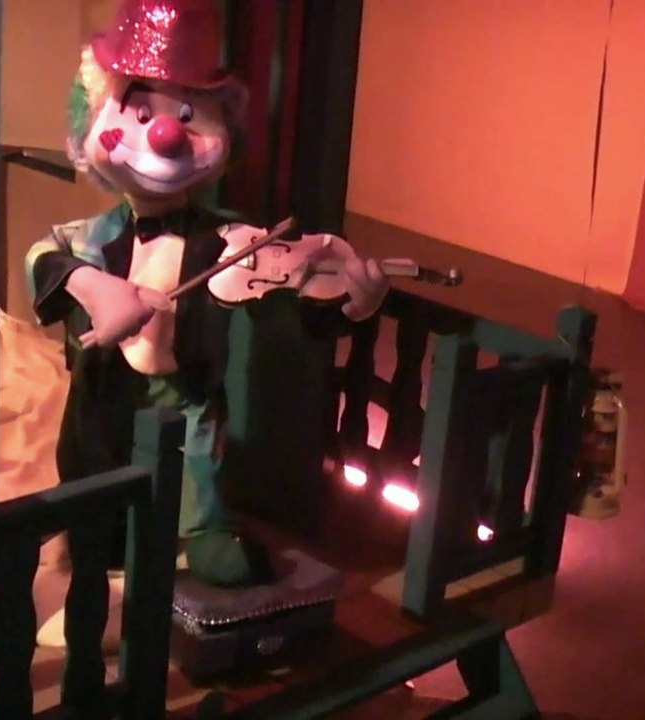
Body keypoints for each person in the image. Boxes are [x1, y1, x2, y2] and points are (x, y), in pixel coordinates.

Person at [23, 1, 388, 712]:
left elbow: (298, 299)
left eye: (189, 115)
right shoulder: (89, 235)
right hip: (104, 403)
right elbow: (45, 259)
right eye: (139, 111)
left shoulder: (233, 243)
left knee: (203, 533)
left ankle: (185, 555)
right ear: (92, 121)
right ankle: (103, 570)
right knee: (94, 508)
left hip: (188, 410)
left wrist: (353, 302)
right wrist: (96, 287)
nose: (164, 132)